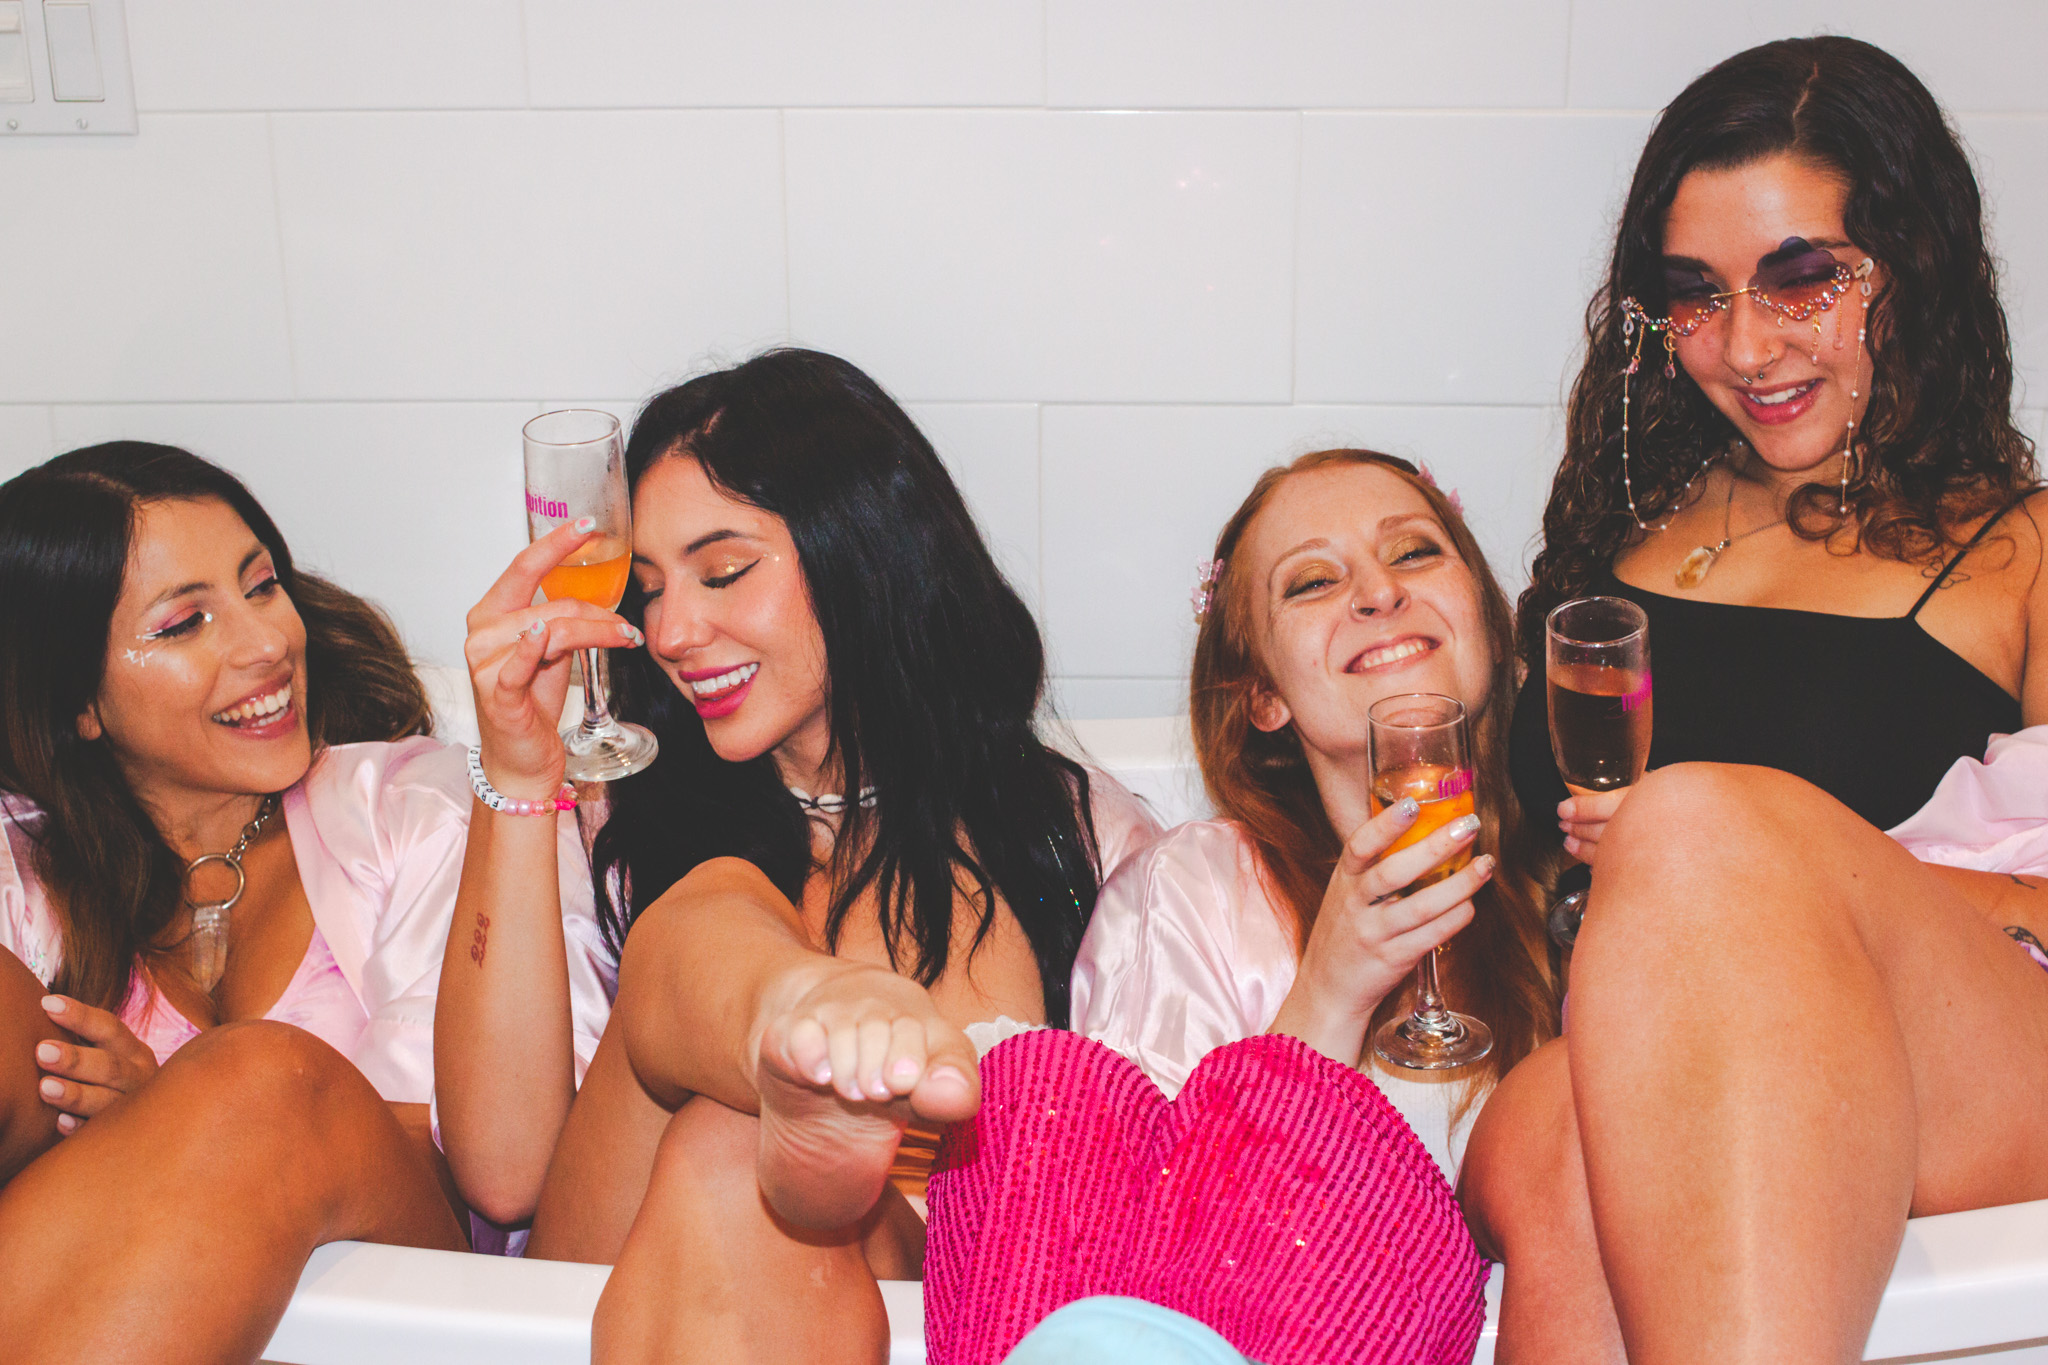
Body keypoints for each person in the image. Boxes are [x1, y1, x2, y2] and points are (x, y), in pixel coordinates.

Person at [1465, 37, 2048, 1365]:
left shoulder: (2024, 551)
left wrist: (1776, 869)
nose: (1742, 346)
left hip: (1987, 1058)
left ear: (1915, 264)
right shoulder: (1622, 527)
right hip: (1642, 1071)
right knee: (1553, 1126)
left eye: (1801, 280)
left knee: (1694, 830)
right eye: (1695, 297)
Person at [435, 348, 1159, 1362]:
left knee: (737, 1145)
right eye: (647, 589)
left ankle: (789, 1070)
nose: (670, 630)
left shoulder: (1066, 832)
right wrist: (517, 770)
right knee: (715, 927)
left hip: (933, 1312)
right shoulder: (613, 812)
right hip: (613, 1301)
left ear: (864, 549)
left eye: (724, 571)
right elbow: (503, 1178)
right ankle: (786, 1025)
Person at [920, 450, 1552, 1365]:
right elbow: (1135, 1269)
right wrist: (1327, 995)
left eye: (1414, 552)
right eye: (1313, 581)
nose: (1379, 592)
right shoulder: (1194, 894)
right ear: (1262, 696)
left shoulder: (1579, 877)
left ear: (1488, 622)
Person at [0, 442, 573, 1362]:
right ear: (80, 702)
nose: (267, 642)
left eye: (262, 586)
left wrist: (170, 1120)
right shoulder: (25, 858)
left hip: (404, 1297)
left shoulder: (410, 808)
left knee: (263, 1084)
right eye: (186, 623)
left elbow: (477, 1172)